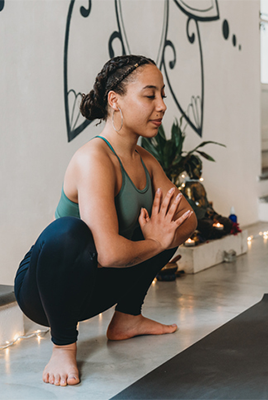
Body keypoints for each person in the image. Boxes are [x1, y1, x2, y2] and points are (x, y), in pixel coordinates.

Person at [14, 55, 198, 387]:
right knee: (68, 232)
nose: (162, 106)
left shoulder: (146, 160)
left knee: (164, 223)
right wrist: (156, 242)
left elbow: (187, 220)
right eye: (149, 95)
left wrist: (160, 236)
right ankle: (62, 346)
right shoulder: (93, 159)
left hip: (95, 288)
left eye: (163, 96)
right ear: (115, 101)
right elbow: (109, 253)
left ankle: (127, 318)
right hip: (45, 293)